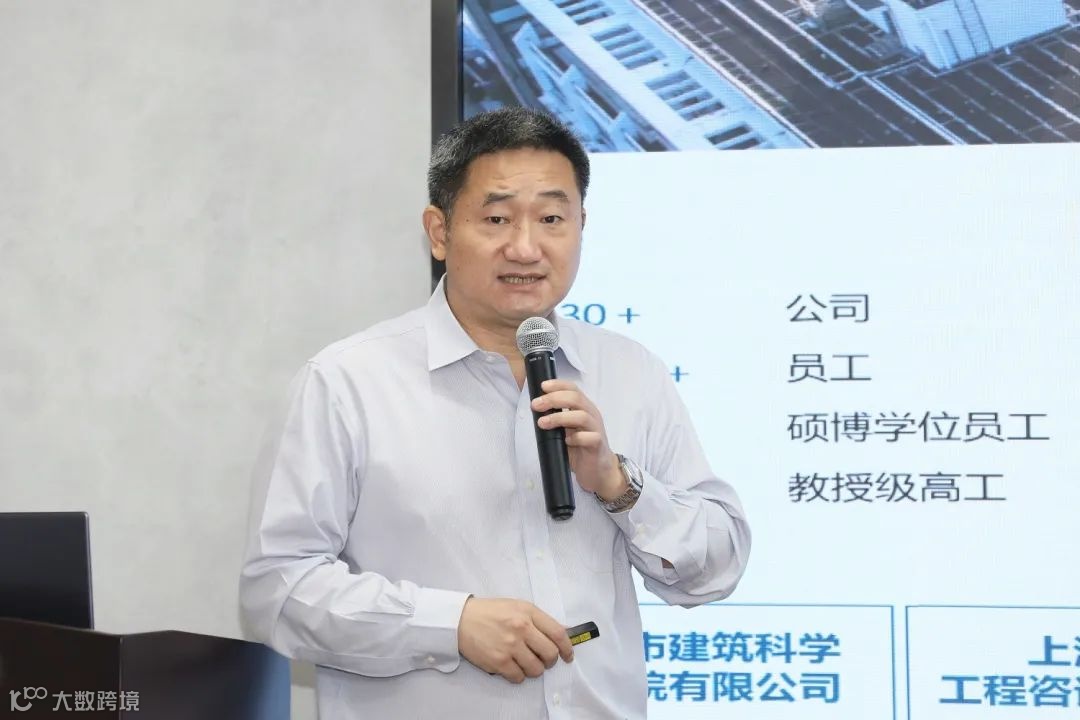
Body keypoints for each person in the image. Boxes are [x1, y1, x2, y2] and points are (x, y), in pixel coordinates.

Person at [239, 106, 751, 719]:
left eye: (552, 218)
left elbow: (715, 569)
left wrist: (618, 484)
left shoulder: (630, 372)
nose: (526, 247)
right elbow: (278, 591)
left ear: (581, 226)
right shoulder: (348, 382)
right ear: (438, 231)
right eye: (497, 218)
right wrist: (450, 625)